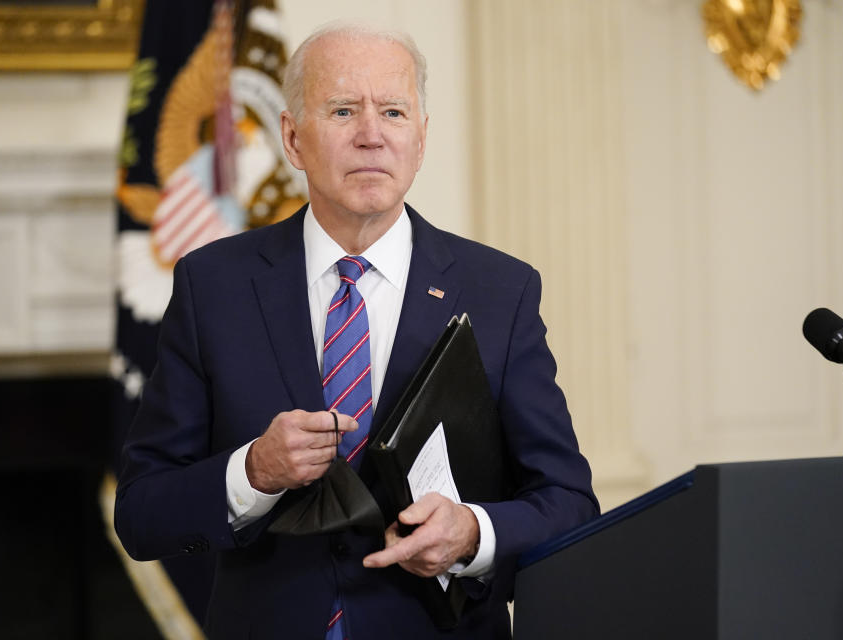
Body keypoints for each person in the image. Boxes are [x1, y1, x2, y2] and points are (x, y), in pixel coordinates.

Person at [114, 21, 598, 639]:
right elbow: (141, 513)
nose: (372, 136)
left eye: (393, 112)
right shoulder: (213, 287)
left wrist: (473, 533)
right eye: (343, 110)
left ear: (421, 140)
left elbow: (570, 506)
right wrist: (253, 472)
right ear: (292, 138)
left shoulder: (501, 292)